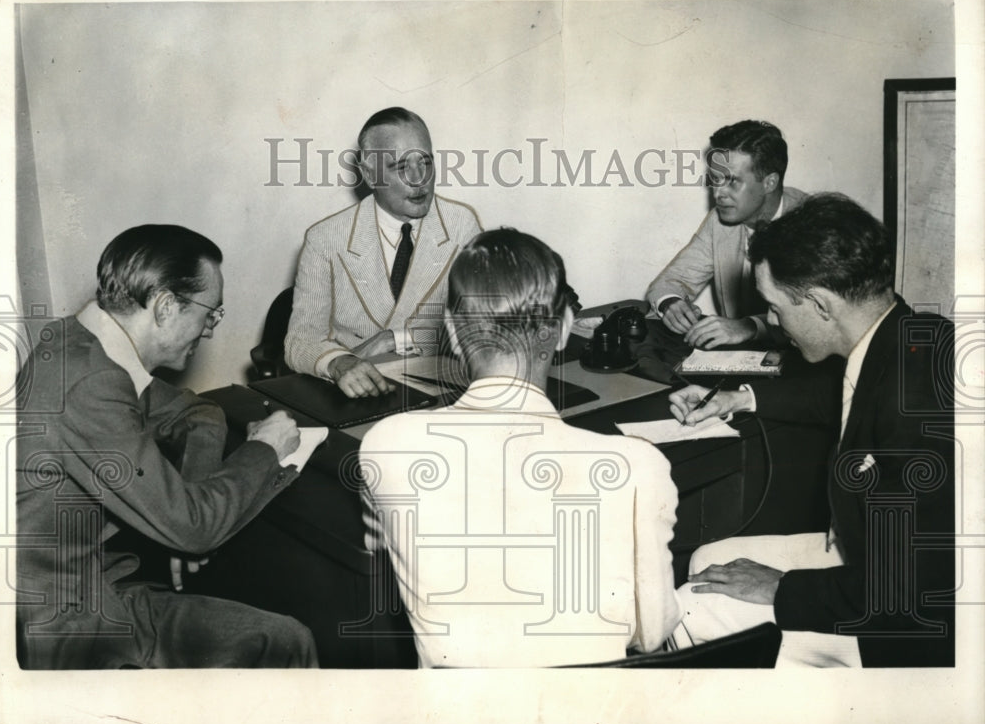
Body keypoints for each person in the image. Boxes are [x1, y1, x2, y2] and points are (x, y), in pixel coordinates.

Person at [359, 229, 681, 667]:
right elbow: (652, 635)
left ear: (452, 332)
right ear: (565, 328)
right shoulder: (639, 466)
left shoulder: (385, 445)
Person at [668, 194, 954, 667]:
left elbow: (912, 588)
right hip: (870, 557)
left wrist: (782, 588)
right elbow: (844, 395)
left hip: (908, 624)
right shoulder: (904, 335)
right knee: (705, 562)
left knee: (694, 609)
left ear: (821, 304)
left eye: (775, 307)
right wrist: (738, 397)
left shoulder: (914, 411)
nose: (773, 323)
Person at [16, 225, 318, 669]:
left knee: (282, 640)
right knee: (286, 641)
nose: (211, 330)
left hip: (100, 586)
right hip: (70, 627)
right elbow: (196, 527)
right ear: (165, 306)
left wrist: (186, 516)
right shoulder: (90, 384)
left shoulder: (80, 345)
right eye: (210, 313)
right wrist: (266, 449)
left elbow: (200, 414)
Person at [285, 107, 482, 398]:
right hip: (357, 393)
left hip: (438, 391)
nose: (419, 179)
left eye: (425, 162)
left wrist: (395, 340)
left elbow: (480, 327)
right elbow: (300, 341)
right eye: (401, 167)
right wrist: (339, 362)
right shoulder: (326, 239)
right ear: (369, 174)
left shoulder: (460, 225)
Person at [645, 120, 806, 349]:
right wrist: (670, 303)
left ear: (769, 182)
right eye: (715, 179)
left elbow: (812, 319)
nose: (718, 193)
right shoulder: (720, 221)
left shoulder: (812, 225)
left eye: (732, 181)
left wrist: (749, 327)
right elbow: (672, 281)